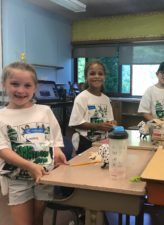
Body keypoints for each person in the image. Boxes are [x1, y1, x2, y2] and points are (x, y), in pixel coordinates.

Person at [0, 62, 67, 225]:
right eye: (15, 84)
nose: (21, 90)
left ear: (35, 87)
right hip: (17, 179)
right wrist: (30, 166)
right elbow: (2, 149)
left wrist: (57, 150)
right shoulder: (1, 116)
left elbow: (55, 138)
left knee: (38, 220)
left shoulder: (45, 111)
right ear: (4, 85)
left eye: (27, 85)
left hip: (44, 177)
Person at [69, 61, 116, 154]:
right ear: (86, 77)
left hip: (103, 142)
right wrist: (98, 126)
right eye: (92, 73)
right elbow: (75, 123)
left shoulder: (106, 99)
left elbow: (110, 120)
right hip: (85, 143)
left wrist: (111, 124)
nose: (97, 76)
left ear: (104, 77)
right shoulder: (82, 98)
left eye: (100, 74)